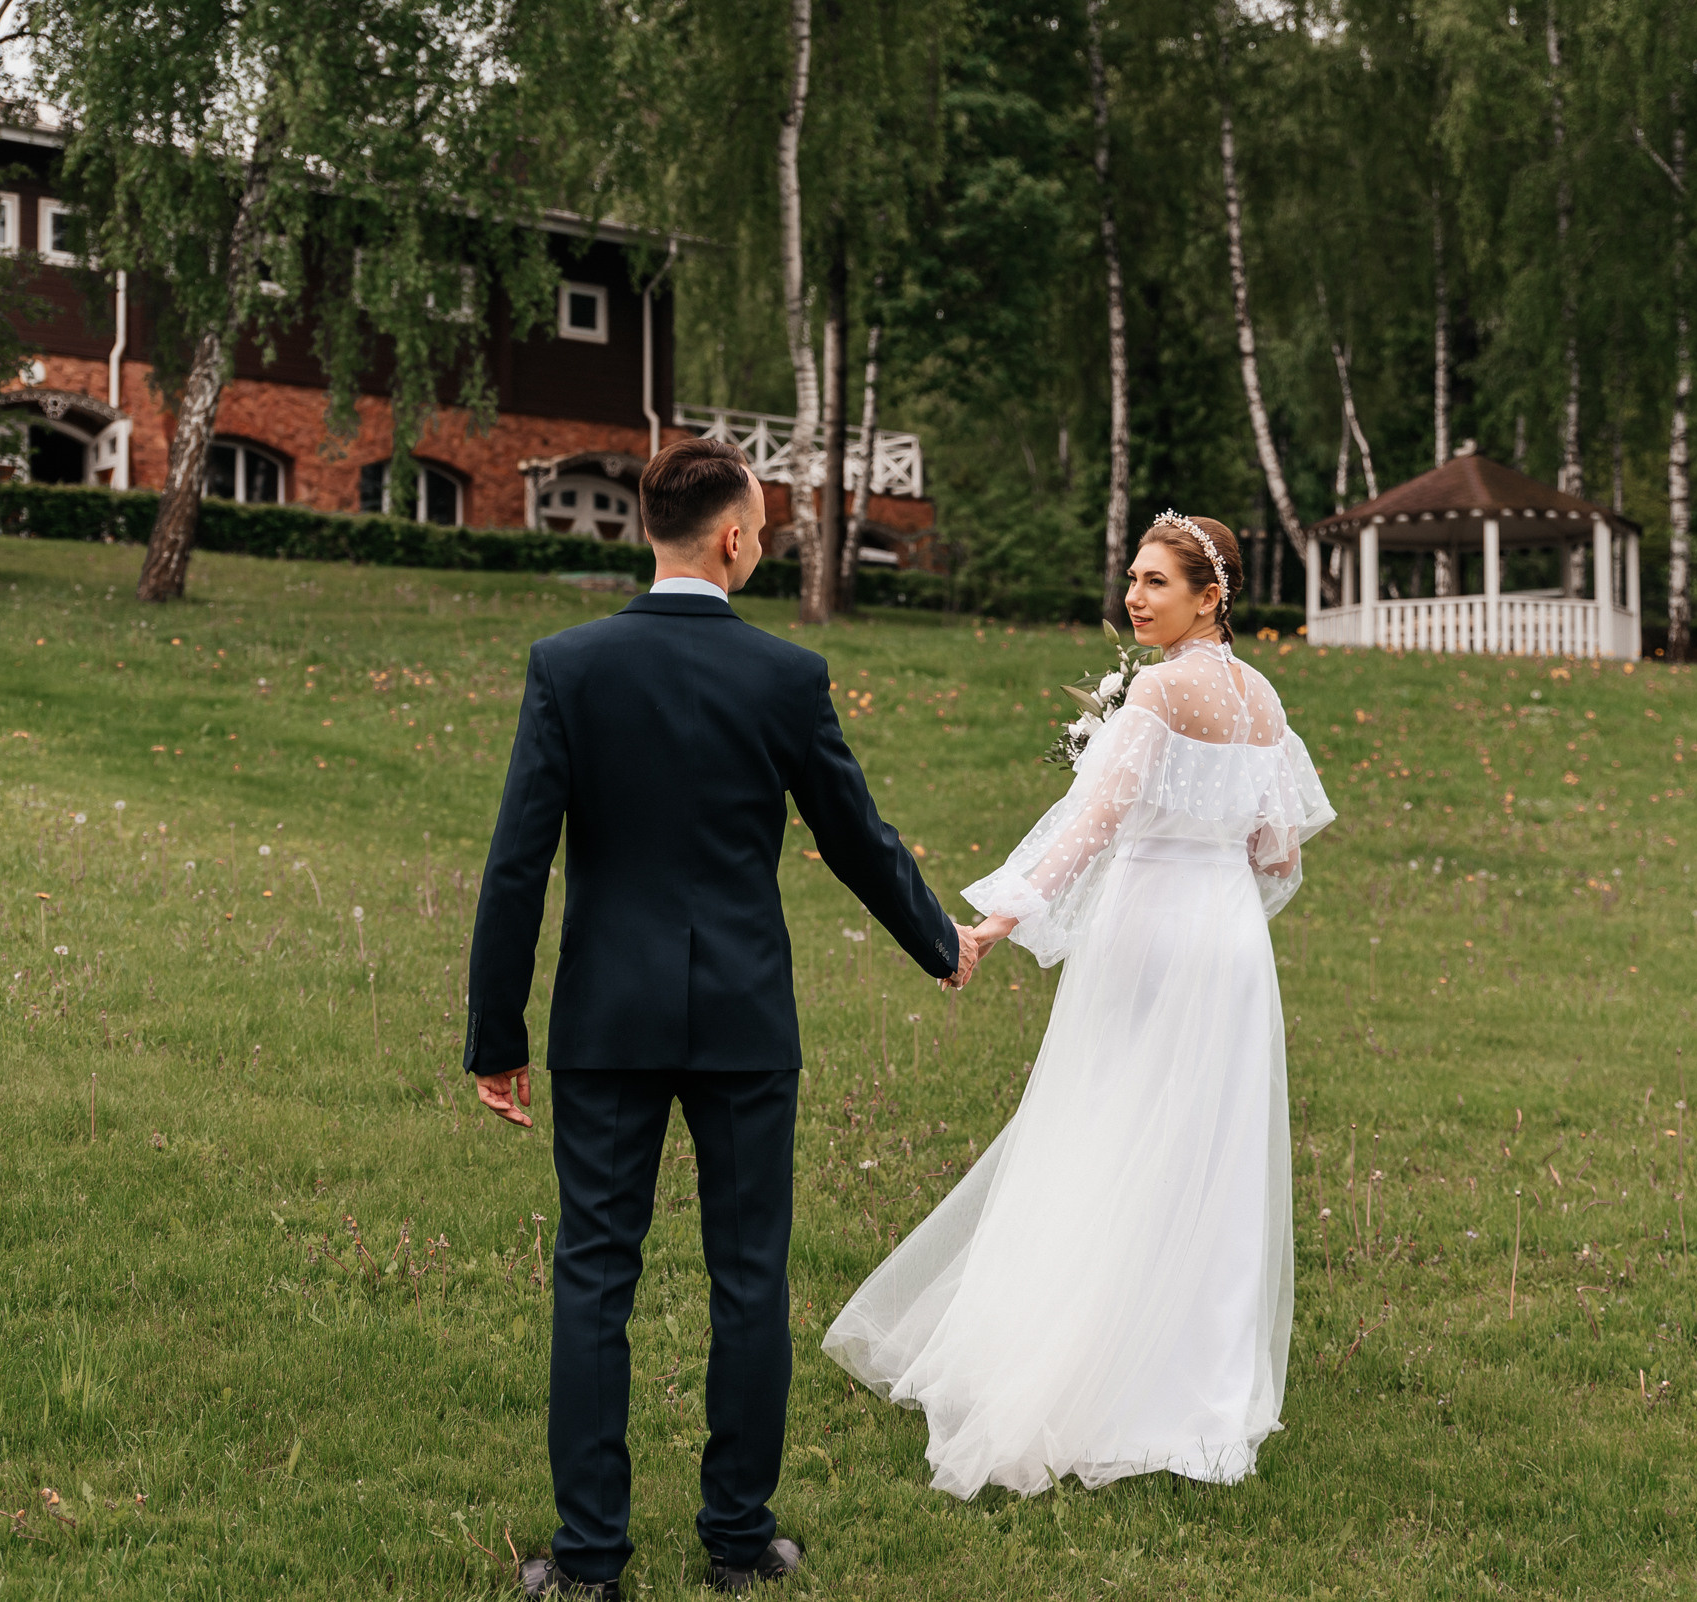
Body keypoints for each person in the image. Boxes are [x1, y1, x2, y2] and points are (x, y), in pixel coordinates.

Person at [464, 436, 982, 1597]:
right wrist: (939, 942)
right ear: (737, 537)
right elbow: (855, 836)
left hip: (607, 1019)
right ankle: (740, 1541)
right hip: (744, 1021)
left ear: (651, 532)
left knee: (596, 1274)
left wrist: (499, 1038)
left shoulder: (570, 666)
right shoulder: (783, 678)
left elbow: (517, 866)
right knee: (748, 1276)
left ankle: (591, 1562)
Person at [822, 512, 1335, 1499]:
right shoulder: (1264, 698)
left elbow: (1088, 827)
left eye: (1156, 582)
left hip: (1149, 934)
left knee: (1104, 1126)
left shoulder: (1155, 691)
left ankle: (1080, 1361)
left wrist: (993, 923)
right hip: (1230, 944)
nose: (1135, 597)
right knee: (1205, 1149)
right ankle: (1198, 1380)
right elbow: (1278, 850)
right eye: (1133, 580)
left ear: (1209, 595)